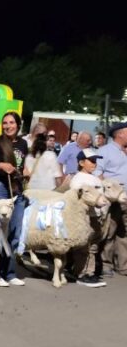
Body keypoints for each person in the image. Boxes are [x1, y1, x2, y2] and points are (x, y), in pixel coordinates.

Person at [0, 111, 29, 286]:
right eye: (5, 123)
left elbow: (21, 165)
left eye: (11, 123)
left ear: (18, 124)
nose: (8, 126)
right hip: (0, 188)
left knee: (15, 232)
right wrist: (1, 165)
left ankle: (9, 272)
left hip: (16, 190)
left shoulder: (24, 143)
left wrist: (25, 172)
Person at [69, 148, 107, 287]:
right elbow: (78, 198)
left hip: (96, 217)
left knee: (93, 246)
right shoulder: (78, 179)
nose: (94, 164)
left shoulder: (96, 178)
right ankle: (80, 273)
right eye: (91, 161)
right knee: (83, 246)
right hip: (85, 217)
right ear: (81, 162)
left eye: (95, 161)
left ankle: (89, 272)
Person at [95, 122, 127, 276]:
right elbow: (97, 172)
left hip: (126, 198)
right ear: (120, 134)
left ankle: (123, 266)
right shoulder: (105, 151)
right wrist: (108, 189)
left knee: (124, 233)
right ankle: (105, 264)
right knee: (109, 231)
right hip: (114, 199)